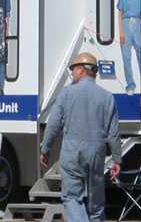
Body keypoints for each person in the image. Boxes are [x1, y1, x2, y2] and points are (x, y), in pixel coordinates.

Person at [39, 52, 121, 222]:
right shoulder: (107, 97)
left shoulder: (66, 94)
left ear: (82, 70)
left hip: (72, 154)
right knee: (96, 202)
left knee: (71, 198)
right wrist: (116, 159)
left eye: (73, 69)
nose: (72, 73)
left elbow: (53, 125)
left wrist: (45, 149)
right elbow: (113, 133)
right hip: (97, 153)